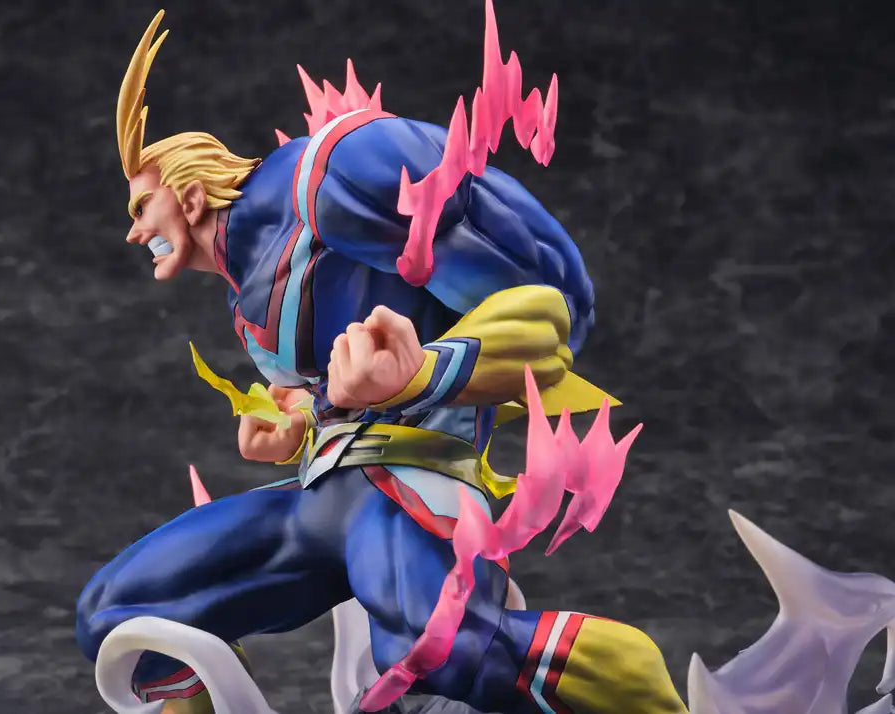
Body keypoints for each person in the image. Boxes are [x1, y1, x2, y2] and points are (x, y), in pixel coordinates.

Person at [76, 7, 687, 714]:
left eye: (141, 208)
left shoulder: (328, 178)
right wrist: (293, 424)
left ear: (188, 196)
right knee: (125, 616)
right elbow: (331, 390)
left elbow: (548, 317)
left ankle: (658, 699)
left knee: (445, 652)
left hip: (411, 487)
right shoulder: (245, 296)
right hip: (321, 501)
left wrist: (419, 372)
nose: (134, 232)